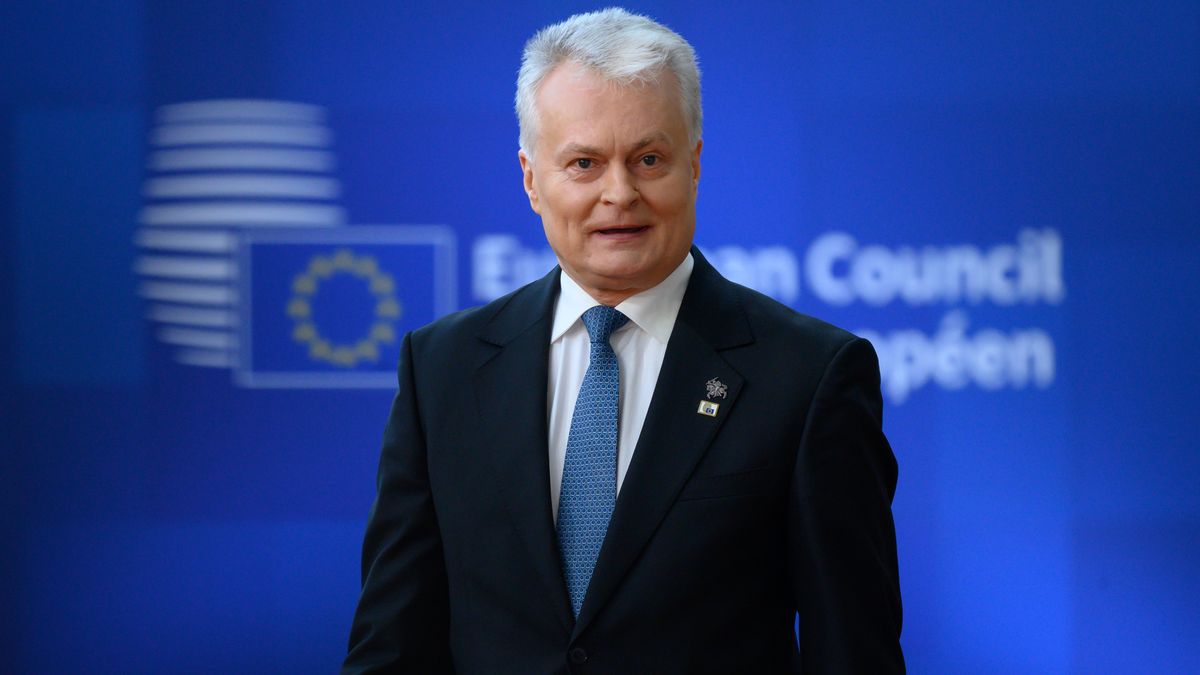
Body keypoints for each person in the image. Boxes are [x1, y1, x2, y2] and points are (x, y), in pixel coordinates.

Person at [343, 8, 903, 674]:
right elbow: (392, 643)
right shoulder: (442, 369)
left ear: (693, 165)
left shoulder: (809, 376)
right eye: (583, 162)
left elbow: (853, 652)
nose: (620, 193)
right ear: (530, 178)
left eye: (649, 158)